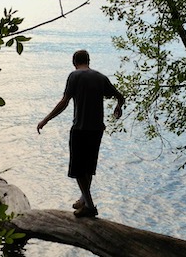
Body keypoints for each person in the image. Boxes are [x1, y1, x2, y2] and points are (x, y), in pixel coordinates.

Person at [37, 49, 125, 218]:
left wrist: (46, 119)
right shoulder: (100, 77)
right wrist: (118, 107)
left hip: (80, 128)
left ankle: (90, 207)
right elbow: (120, 96)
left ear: (74, 62)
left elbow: (64, 102)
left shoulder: (74, 76)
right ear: (89, 61)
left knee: (78, 169)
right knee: (88, 167)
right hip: (97, 129)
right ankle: (84, 199)